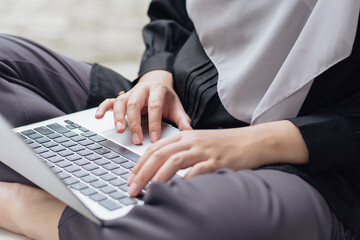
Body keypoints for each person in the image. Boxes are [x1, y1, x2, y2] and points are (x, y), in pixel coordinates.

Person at [0, 0, 360, 239]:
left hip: (306, 165)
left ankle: (32, 206)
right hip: (174, 113)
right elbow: (171, 11)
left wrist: (254, 142)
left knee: (203, 222)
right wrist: (156, 75)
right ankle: (91, 183)